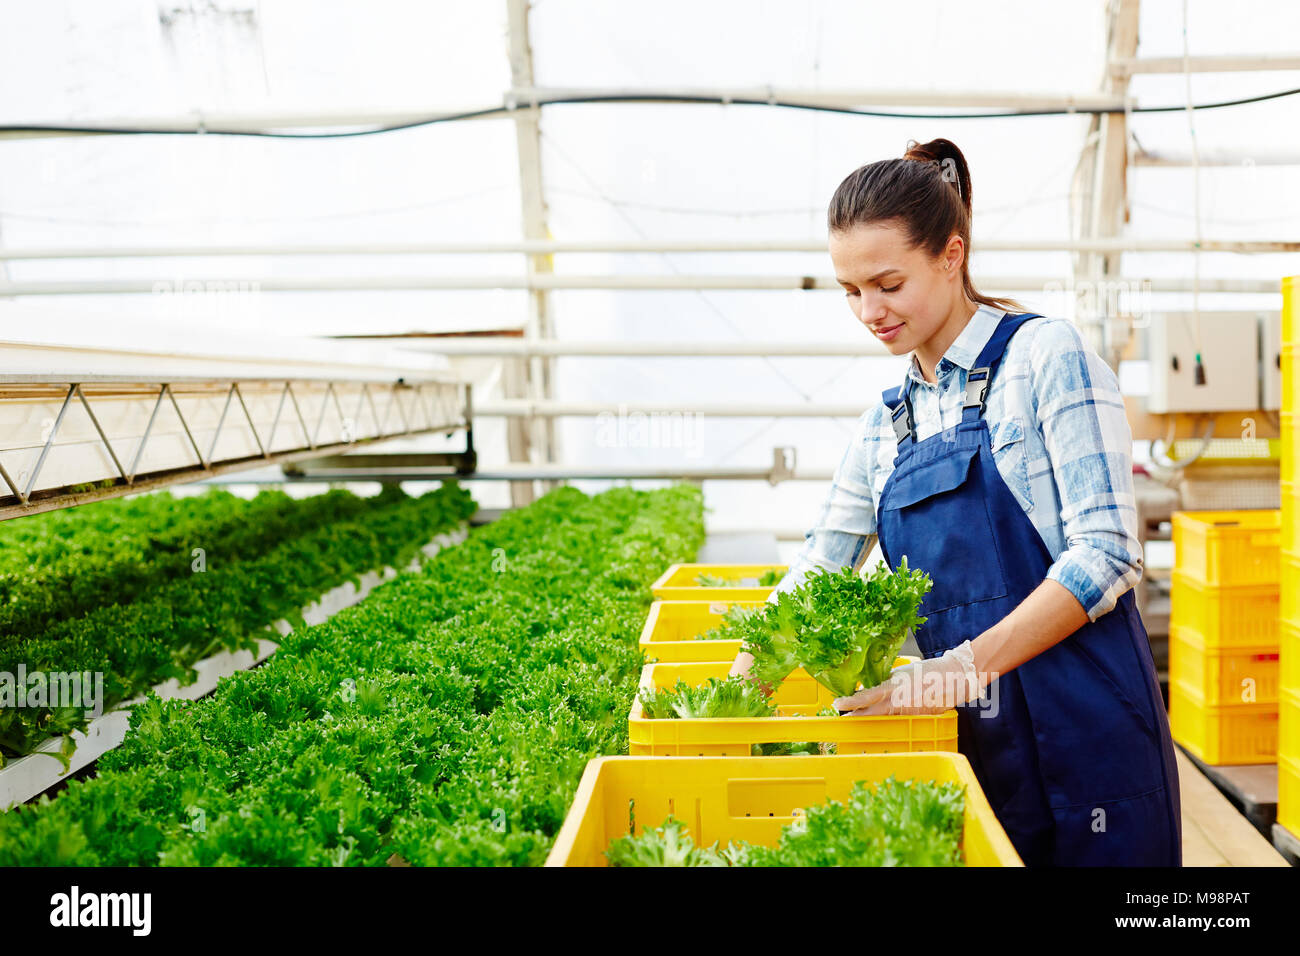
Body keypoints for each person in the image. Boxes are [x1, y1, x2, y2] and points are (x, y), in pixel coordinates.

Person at [730, 138, 1181, 867]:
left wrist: (956, 670)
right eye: (851, 291)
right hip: (970, 745)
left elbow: (1108, 552)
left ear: (950, 254)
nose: (869, 311)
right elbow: (817, 570)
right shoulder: (885, 426)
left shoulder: (1045, 357)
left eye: (887, 284)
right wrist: (736, 690)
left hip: (1090, 729)